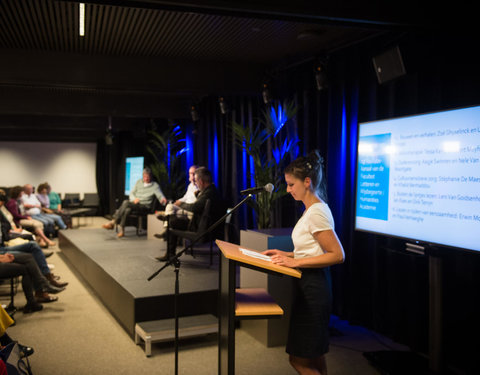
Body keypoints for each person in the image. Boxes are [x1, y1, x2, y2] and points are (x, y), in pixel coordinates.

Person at [262, 151, 345, 375]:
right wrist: (288, 254)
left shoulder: (317, 212)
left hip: (314, 289)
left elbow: (337, 255)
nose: (288, 190)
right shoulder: (312, 210)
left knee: (298, 360)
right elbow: (311, 250)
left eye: (291, 184)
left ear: (307, 182)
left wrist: (292, 263)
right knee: (314, 356)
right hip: (310, 285)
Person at [157, 166, 225, 261]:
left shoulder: (208, 193)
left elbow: (194, 207)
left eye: (196, 181)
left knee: (172, 222)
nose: (196, 183)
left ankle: (170, 253)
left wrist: (181, 204)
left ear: (201, 181)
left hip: (202, 229)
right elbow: (200, 206)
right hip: (204, 226)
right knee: (173, 221)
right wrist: (198, 194)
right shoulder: (211, 190)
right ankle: (170, 253)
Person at [102, 167, 167, 237]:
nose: (146, 179)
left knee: (126, 202)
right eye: (144, 177)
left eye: (148, 177)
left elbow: (160, 196)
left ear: (151, 176)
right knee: (127, 210)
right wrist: (134, 199)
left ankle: (113, 222)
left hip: (144, 206)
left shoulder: (155, 185)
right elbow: (132, 193)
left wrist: (163, 199)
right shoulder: (139, 182)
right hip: (136, 203)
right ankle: (122, 231)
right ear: (143, 176)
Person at [154, 165, 198, 238]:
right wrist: (178, 201)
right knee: (170, 206)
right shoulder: (190, 186)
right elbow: (185, 197)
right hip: (184, 207)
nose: (192, 175)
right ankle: (167, 229)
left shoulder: (199, 186)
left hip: (190, 210)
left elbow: (195, 203)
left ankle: (166, 220)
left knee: (176, 213)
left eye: (194, 173)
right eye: (190, 173)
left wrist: (181, 204)